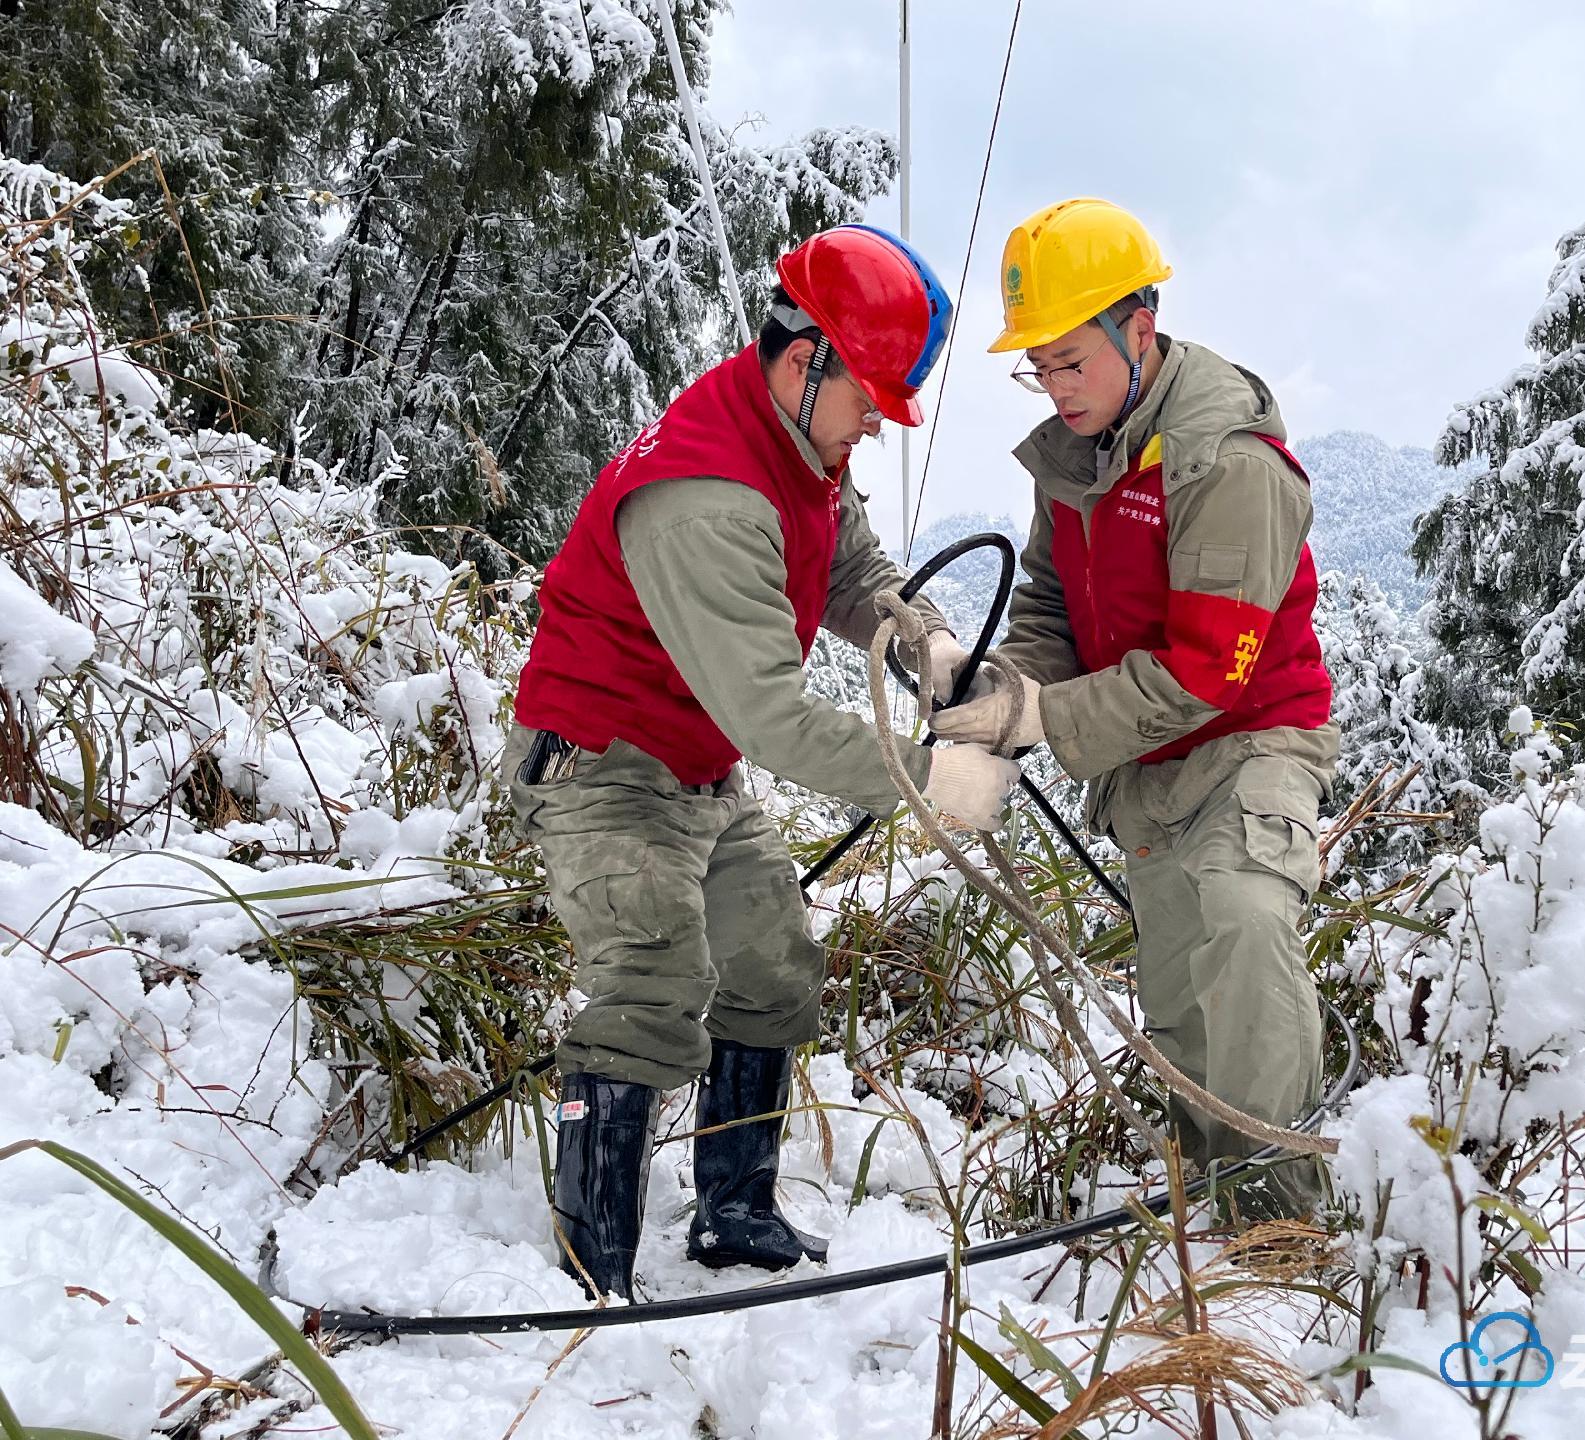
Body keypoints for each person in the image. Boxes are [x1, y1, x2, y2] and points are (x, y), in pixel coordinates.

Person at [508, 225, 1021, 1297]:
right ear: (805, 360)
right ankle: (588, 1265)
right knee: (652, 977)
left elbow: (848, 563)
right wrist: (935, 780)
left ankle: (735, 1213)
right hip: (602, 760)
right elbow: (779, 723)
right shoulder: (707, 496)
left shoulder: (801, 440)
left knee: (773, 961)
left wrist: (922, 642)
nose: (873, 428)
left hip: (693, 763)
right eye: (867, 401)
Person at [932, 198, 1338, 1215]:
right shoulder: (1077, 456)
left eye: (1071, 360)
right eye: (1039, 365)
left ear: (1139, 330)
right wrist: (1002, 691)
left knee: (1241, 928)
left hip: (1248, 740)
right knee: (1182, 998)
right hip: (1143, 761)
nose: (1054, 387)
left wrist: (1040, 721)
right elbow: (1049, 602)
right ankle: (1215, 1205)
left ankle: (1284, 1228)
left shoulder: (1224, 460)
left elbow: (1210, 671)